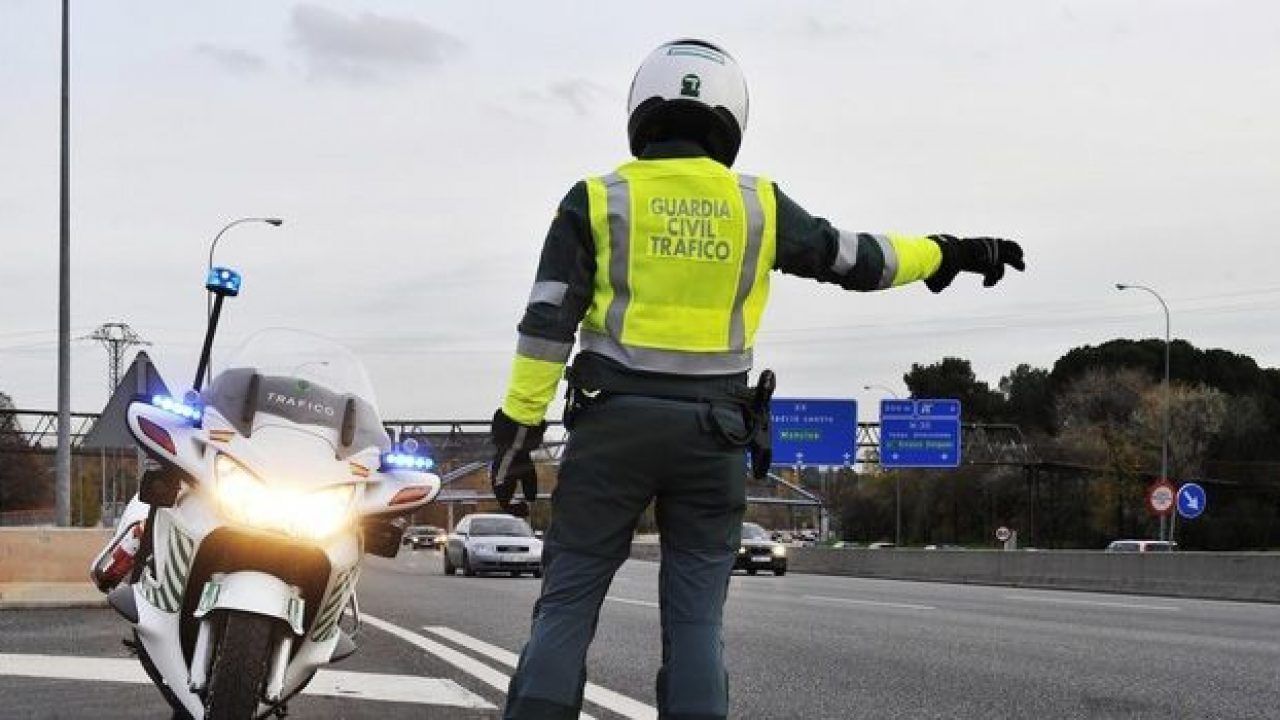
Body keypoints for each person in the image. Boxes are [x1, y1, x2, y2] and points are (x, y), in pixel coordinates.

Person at [488, 38, 1025, 720]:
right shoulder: (759, 206)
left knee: (567, 604)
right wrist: (948, 252)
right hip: (713, 439)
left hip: (611, 430)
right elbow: (858, 258)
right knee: (694, 625)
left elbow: (545, 324)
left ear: (642, 110)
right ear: (731, 117)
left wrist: (518, 425)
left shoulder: (596, 199)